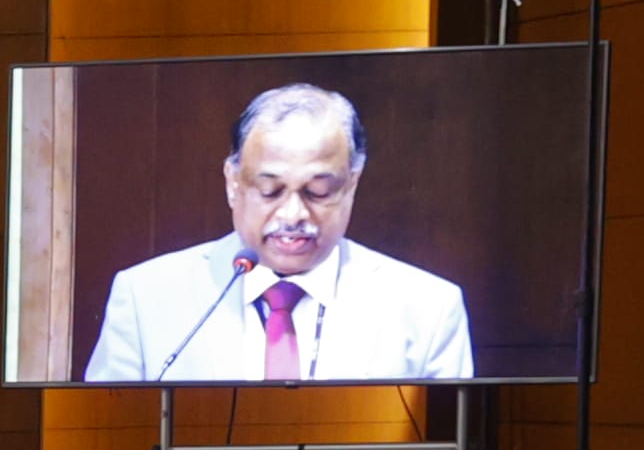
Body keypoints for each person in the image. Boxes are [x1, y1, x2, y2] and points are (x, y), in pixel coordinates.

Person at [74, 80, 480, 386]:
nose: (293, 215)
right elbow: (109, 436)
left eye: (318, 192)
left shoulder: (427, 308)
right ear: (233, 183)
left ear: (352, 184)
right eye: (270, 190)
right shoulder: (146, 297)